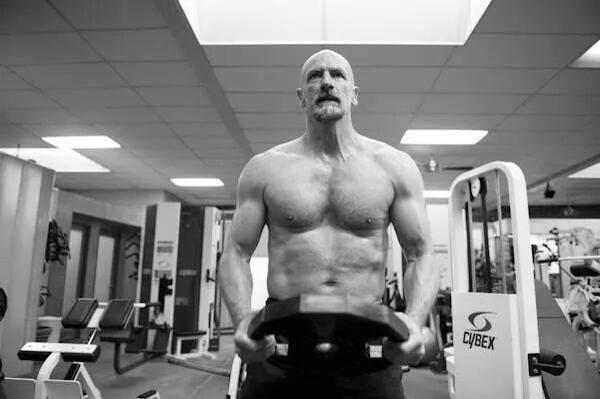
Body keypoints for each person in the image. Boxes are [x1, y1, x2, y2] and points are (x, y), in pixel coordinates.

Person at [219, 49, 440, 399]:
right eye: (314, 76)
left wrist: (413, 320)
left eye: (337, 75)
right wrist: (243, 319)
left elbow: (421, 253)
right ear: (300, 97)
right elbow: (236, 253)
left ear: (353, 93)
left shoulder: (394, 166)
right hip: (281, 349)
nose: (326, 82)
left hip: (369, 349)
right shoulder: (265, 168)